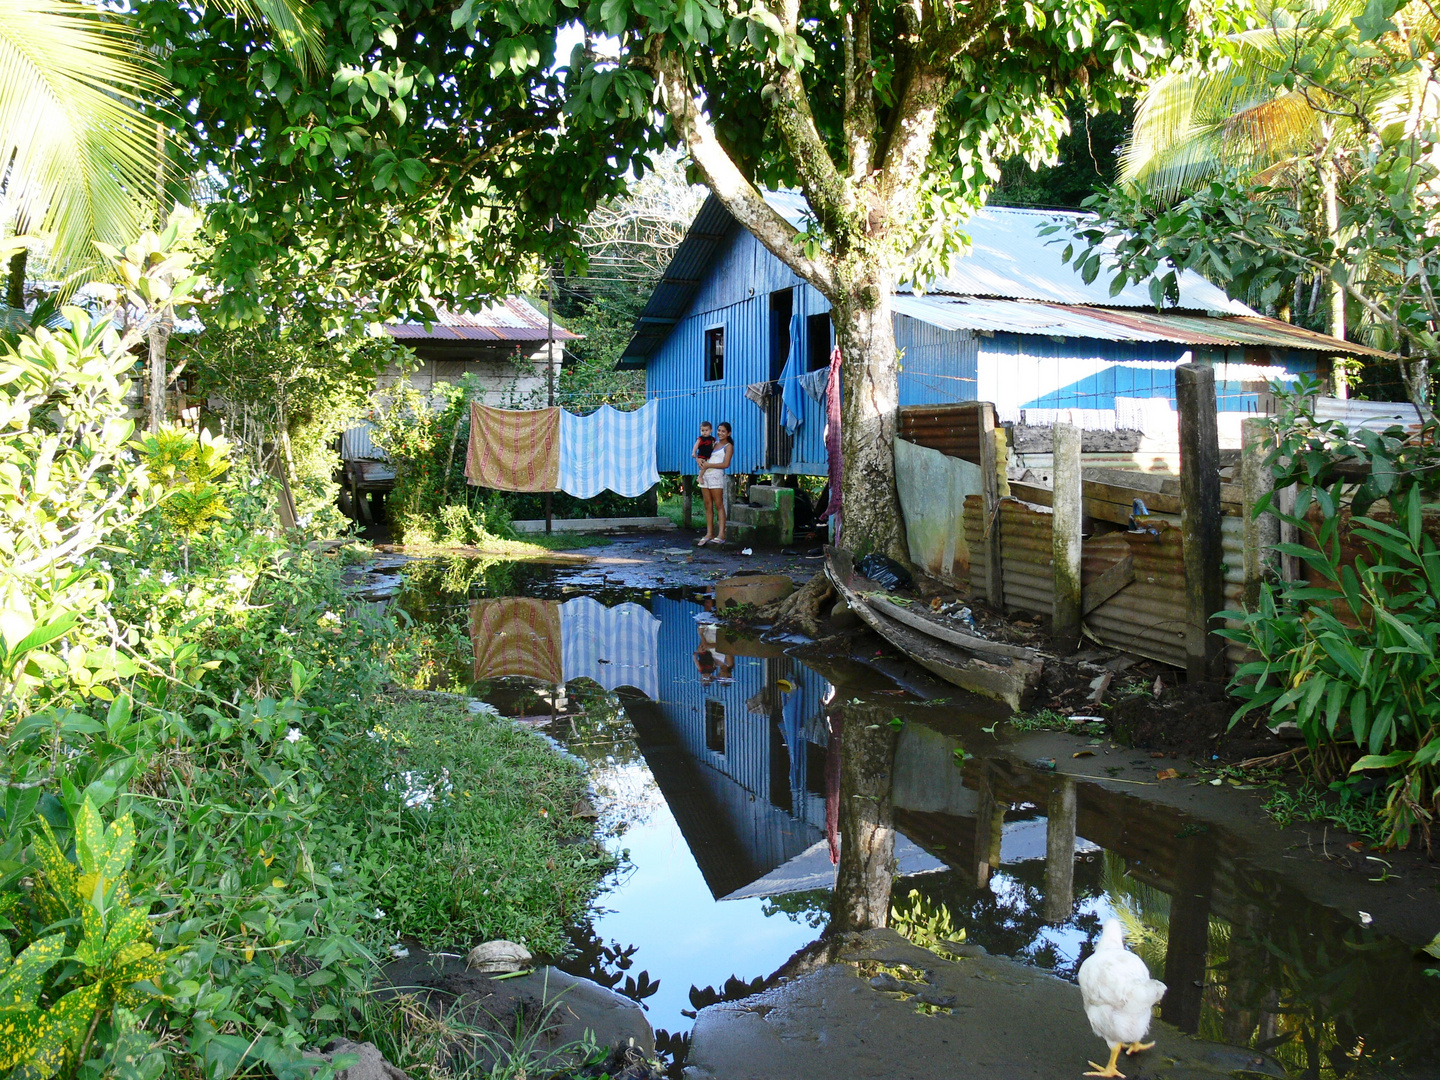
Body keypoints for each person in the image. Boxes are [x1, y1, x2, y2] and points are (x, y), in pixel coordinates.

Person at [697, 421, 733, 546]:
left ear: (729, 433)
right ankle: (709, 533)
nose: (720, 433)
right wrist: (698, 459)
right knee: (707, 505)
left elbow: (725, 464)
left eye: (723, 431)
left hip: (716, 477)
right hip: (705, 475)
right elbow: (703, 454)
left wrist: (709, 465)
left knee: (718, 505)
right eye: (719, 430)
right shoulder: (713, 443)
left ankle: (721, 534)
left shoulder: (728, 446)